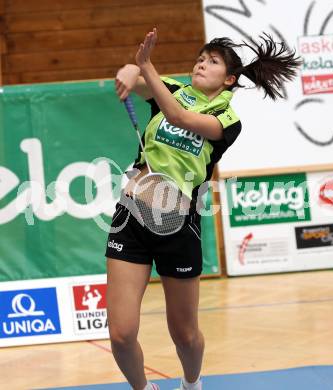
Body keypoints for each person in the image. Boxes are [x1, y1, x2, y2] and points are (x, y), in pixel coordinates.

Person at [105, 28, 301, 390]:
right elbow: (139, 80)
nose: (201, 63)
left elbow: (179, 117)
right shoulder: (174, 90)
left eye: (212, 62)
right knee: (120, 333)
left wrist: (144, 67)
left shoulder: (227, 121)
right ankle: (142, 388)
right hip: (131, 216)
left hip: (177, 226)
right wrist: (131, 71)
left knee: (185, 335)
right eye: (200, 58)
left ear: (228, 79)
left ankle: (192, 384)